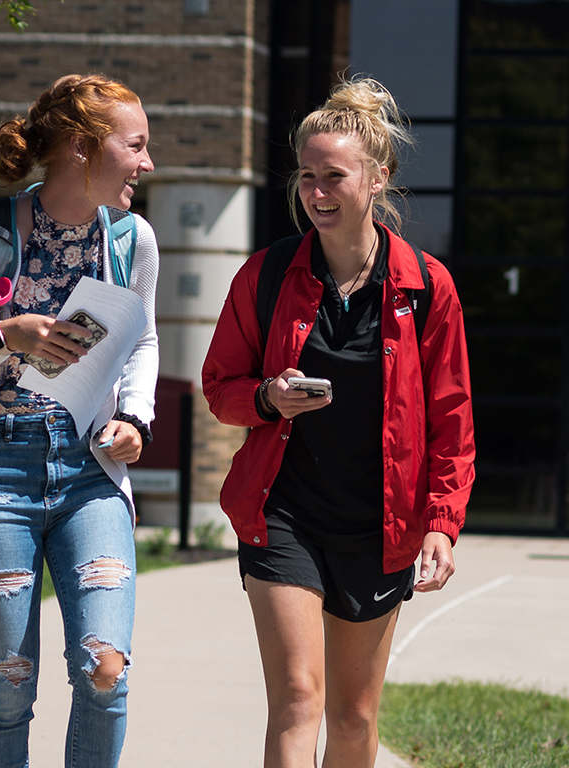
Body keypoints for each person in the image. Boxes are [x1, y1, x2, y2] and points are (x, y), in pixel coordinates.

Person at [202, 76, 475, 768]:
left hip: (379, 525)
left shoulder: (426, 287)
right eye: (306, 177)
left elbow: (452, 417)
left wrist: (442, 521)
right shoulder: (265, 278)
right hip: (284, 511)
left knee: (354, 720)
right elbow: (220, 387)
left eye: (334, 176)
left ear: (377, 178)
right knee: (298, 695)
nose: (317, 193)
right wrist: (267, 398)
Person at [0, 73, 158, 768]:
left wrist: (135, 417)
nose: (147, 163)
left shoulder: (131, 239)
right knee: (7, 693)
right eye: (136, 146)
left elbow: (140, 338)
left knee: (106, 673)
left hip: (89, 471)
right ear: (83, 146)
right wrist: (2, 338)